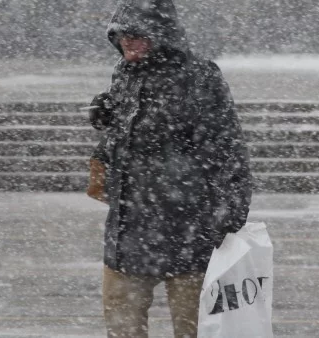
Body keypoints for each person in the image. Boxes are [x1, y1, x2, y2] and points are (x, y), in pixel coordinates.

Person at [87, 0, 252, 337]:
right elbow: (130, 137)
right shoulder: (125, 73)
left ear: (161, 34)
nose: (126, 42)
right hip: (130, 227)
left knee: (195, 327)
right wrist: (107, 116)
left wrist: (231, 210)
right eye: (120, 35)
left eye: (136, 34)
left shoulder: (199, 76)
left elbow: (227, 147)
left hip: (189, 227)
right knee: (122, 323)